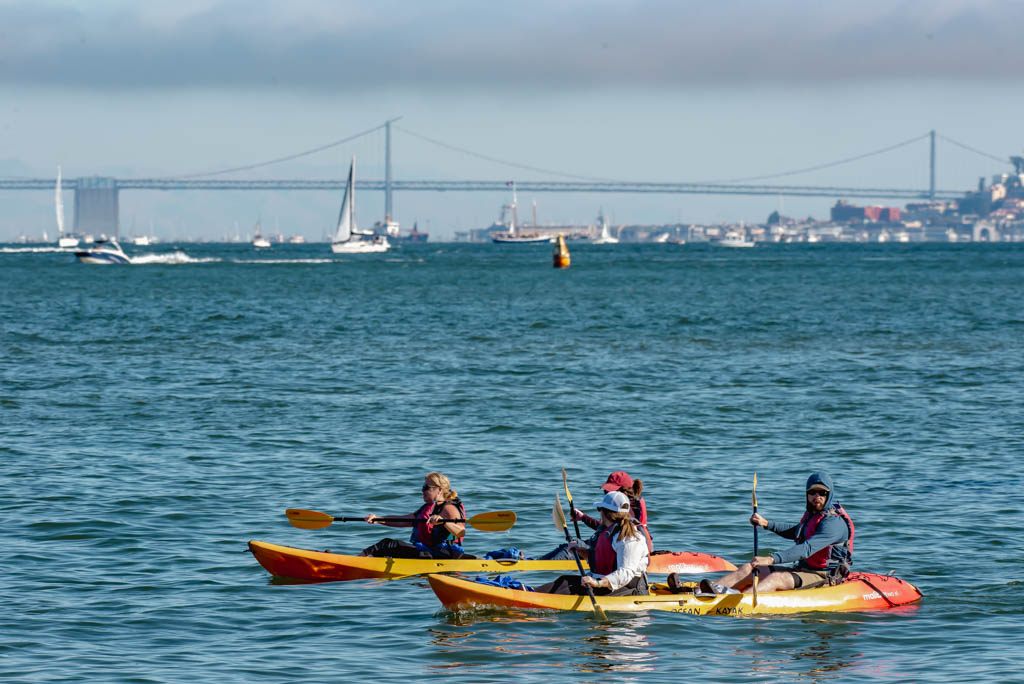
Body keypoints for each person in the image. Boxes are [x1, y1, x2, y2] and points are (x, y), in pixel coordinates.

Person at [678, 472, 854, 595]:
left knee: (776, 578)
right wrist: (766, 524)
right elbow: (798, 532)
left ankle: (735, 601)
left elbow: (806, 548)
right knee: (749, 568)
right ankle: (703, 592)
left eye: (822, 493)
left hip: (823, 576)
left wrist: (771, 559)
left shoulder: (834, 523)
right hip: (802, 570)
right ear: (807, 494)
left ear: (829, 495)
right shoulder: (813, 515)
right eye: (812, 492)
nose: (817, 497)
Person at [537, 491, 650, 596]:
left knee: (570, 588)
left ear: (604, 512)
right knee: (564, 581)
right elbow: (603, 560)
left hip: (628, 589)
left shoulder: (629, 538)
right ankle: (529, 592)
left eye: (599, 509)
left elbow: (626, 573)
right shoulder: (607, 531)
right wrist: (580, 551)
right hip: (603, 582)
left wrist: (597, 583)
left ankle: (533, 598)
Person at [538, 470, 653, 561]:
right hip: (608, 545)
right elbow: (607, 528)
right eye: (606, 491)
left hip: (612, 550)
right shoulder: (623, 505)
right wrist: (583, 517)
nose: (607, 494)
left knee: (571, 547)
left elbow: (612, 531)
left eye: (609, 491)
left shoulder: (624, 508)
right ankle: (534, 561)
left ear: (623, 491)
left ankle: (536, 564)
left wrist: (584, 518)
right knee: (569, 545)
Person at [360, 472, 475, 559]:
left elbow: (461, 532)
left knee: (388, 544)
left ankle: (356, 560)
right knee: (387, 548)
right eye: (422, 488)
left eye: (426, 488)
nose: (422, 491)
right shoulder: (428, 508)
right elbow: (405, 521)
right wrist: (378, 519)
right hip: (429, 552)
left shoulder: (448, 508)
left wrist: (444, 522)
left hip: (445, 554)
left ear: (439, 490)